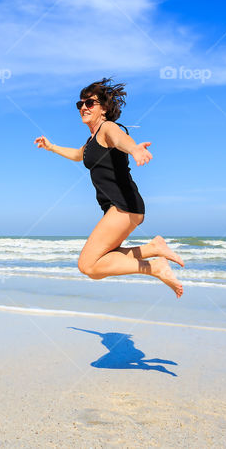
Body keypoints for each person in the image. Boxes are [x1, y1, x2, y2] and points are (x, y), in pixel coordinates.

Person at [34, 78, 185, 297]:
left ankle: (155, 266)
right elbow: (78, 155)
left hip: (124, 205)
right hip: (117, 207)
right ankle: (153, 248)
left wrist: (134, 149)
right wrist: (51, 147)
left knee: (88, 265)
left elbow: (119, 138)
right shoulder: (92, 140)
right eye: (80, 104)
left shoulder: (107, 128)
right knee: (101, 261)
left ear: (103, 108)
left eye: (90, 103)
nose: (83, 107)